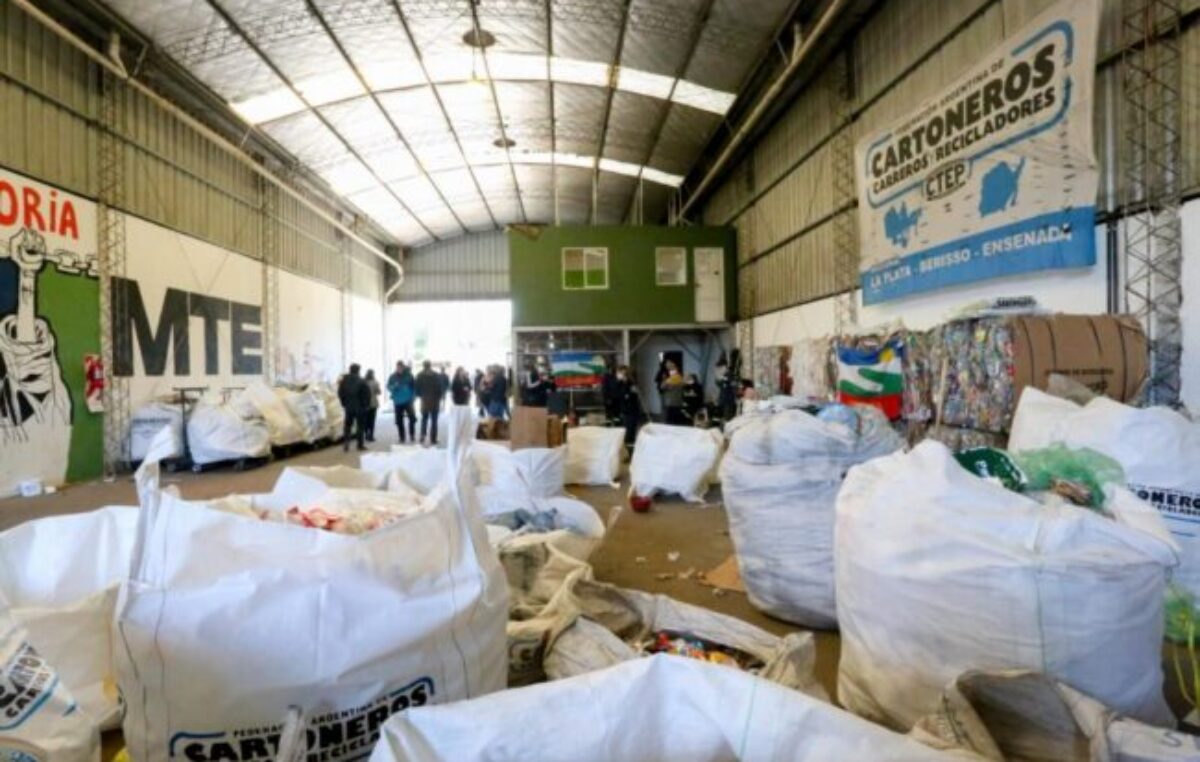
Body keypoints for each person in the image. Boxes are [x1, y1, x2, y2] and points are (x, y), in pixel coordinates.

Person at [337, 363, 371, 452]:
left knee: (347, 426)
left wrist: (344, 403)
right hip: (360, 408)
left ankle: (346, 444)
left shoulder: (344, 381)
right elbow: (367, 394)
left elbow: (340, 393)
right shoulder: (361, 381)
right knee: (360, 426)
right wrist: (366, 405)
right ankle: (360, 445)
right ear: (358, 370)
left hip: (349, 407)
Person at [387, 361, 417, 444]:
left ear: (403, 367)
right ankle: (402, 437)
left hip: (408, 401)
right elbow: (388, 387)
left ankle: (412, 434)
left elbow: (414, 386)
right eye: (397, 368)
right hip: (398, 402)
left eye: (400, 368)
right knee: (399, 420)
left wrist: (414, 396)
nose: (399, 369)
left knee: (412, 418)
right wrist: (393, 386)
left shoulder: (409, 376)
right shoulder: (392, 376)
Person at [415, 360, 443, 446]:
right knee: (434, 421)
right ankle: (433, 438)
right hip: (435, 401)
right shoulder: (436, 375)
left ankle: (423, 436)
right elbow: (440, 388)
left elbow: (417, 389)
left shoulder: (419, 375)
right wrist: (439, 397)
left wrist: (421, 395)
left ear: (423, 366)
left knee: (424, 419)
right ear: (430, 366)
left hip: (424, 401)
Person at [615, 365, 643, 447]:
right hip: (626, 410)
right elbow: (619, 394)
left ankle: (631, 445)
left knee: (632, 428)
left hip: (633, 409)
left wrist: (631, 391)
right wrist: (627, 392)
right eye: (619, 373)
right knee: (627, 429)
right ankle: (627, 445)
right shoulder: (618, 383)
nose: (619, 374)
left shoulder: (631, 382)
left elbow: (634, 393)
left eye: (622, 373)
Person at [658, 360, 686, 425]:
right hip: (678, 403)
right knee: (676, 421)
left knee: (670, 422)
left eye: (670, 369)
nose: (669, 371)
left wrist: (664, 379)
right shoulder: (679, 378)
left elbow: (662, 386)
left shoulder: (673, 378)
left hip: (671, 403)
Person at [363, 369, 381, 442]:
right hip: (373, 403)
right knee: (372, 420)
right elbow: (379, 392)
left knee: (366, 420)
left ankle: (366, 434)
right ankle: (371, 435)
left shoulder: (363, 382)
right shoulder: (375, 382)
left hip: (365, 404)